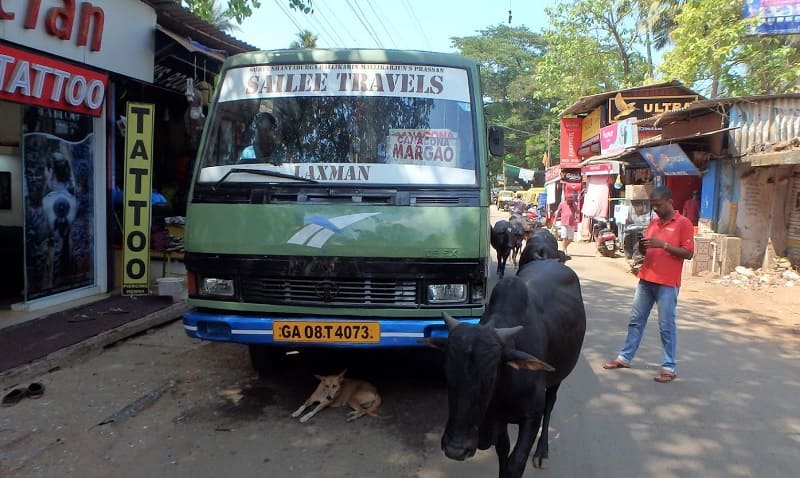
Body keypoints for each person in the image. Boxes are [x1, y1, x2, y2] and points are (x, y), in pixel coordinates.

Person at [602, 186, 694, 383]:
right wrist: (642, 248)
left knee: (666, 326)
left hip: (667, 283)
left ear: (670, 201)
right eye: (653, 206)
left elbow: (688, 253)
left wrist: (664, 245)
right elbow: (646, 251)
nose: (656, 209)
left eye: (658, 205)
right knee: (635, 320)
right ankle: (624, 357)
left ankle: (668, 367)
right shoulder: (653, 223)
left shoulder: (683, 223)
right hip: (646, 280)